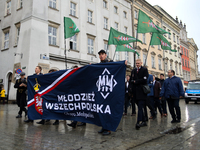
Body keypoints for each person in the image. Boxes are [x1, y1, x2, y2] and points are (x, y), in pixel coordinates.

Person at [129, 59, 148, 130]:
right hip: (135, 93)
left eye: (138, 63)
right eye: (136, 63)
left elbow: (144, 80)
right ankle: (144, 121)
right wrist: (130, 89)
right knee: (139, 106)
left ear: (141, 63)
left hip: (142, 92)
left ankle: (138, 122)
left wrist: (135, 81)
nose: (137, 64)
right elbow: (131, 80)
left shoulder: (144, 70)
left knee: (140, 107)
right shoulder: (133, 71)